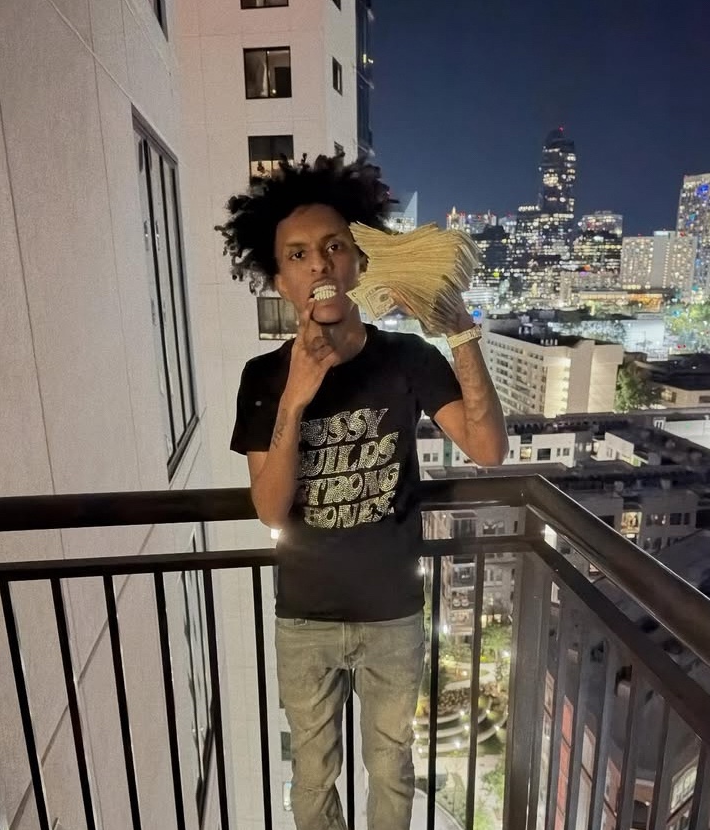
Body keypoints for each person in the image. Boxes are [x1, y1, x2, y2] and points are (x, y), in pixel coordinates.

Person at [217, 154, 507, 830]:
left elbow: (488, 449)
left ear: (357, 262)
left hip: (393, 617)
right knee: (313, 777)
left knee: (392, 769)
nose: (318, 263)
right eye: (297, 254)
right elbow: (268, 507)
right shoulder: (262, 377)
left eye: (333, 246)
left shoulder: (407, 359)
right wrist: (295, 399)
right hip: (305, 619)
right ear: (280, 279)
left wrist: (459, 330)